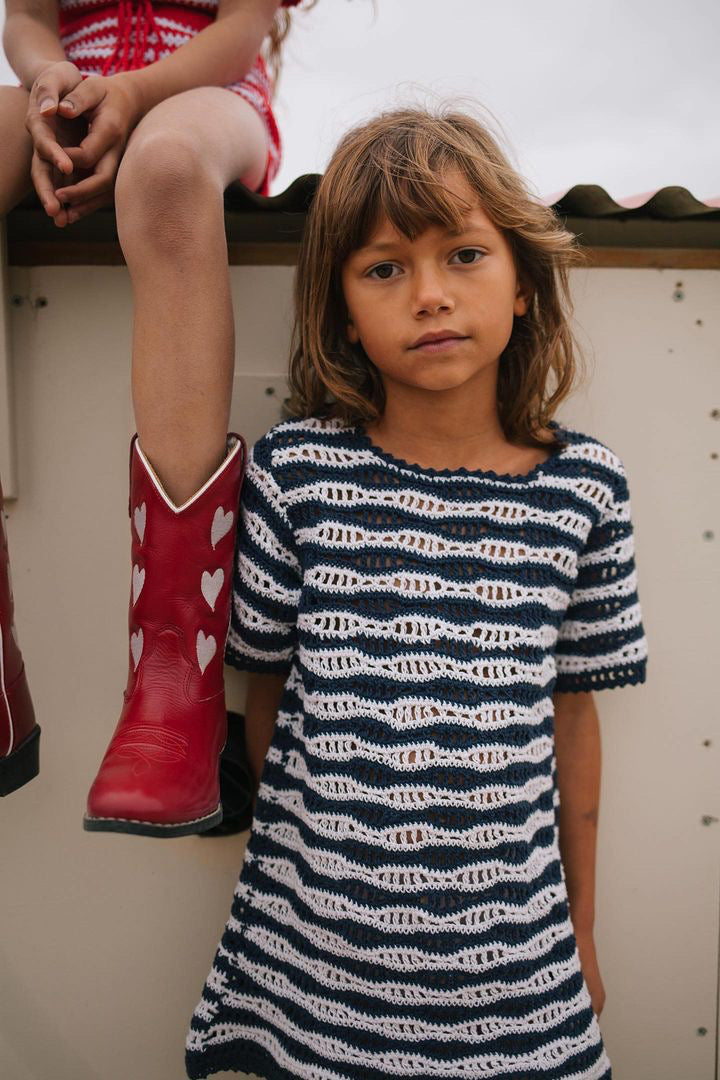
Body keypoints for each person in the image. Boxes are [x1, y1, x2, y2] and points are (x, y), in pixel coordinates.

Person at [185, 104, 649, 1079]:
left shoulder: (584, 492)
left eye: (465, 255)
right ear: (344, 312)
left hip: (517, 968)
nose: (429, 294)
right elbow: (263, 694)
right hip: (321, 966)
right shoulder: (294, 477)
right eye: (385, 268)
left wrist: (583, 933)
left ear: (523, 283)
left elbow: (575, 715)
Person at [0, 0, 309, 826]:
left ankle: (174, 681)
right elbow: (27, 15)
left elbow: (239, 30)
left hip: (202, 94)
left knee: (167, 167)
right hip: (64, 98)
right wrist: (46, 83)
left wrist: (131, 96)